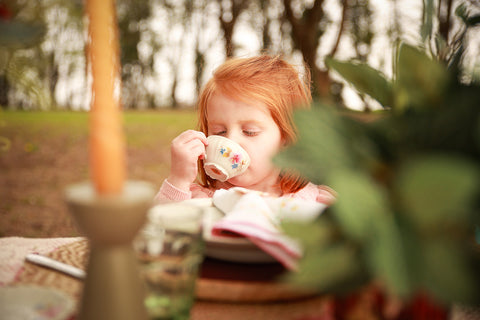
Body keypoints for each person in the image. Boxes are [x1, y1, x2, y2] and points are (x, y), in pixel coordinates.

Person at [155, 55, 335, 205]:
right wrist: (178, 180)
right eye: (219, 132)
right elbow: (159, 232)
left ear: (286, 137)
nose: (231, 141)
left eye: (250, 132)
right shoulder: (198, 199)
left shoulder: (311, 201)